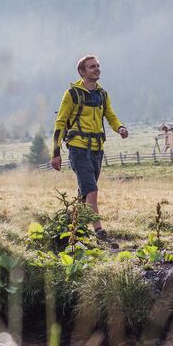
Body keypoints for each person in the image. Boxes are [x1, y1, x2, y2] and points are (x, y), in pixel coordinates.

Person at [51, 54, 128, 247]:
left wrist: (119, 128)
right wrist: (56, 152)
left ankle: (72, 231)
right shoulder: (72, 94)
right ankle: (100, 233)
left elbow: (110, 115)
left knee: (84, 194)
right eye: (92, 67)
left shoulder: (102, 94)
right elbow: (60, 122)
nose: (97, 69)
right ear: (82, 72)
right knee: (91, 189)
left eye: (98, 66)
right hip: (78, 148)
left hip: (97, 149)